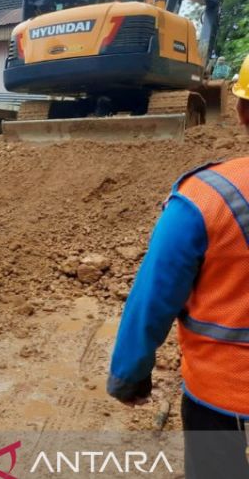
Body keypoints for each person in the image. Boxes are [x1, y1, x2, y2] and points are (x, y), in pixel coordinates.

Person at [108, 54, 249, 478]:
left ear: (242, 111)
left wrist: (129, 374)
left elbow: (154, 296)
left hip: (225, 400)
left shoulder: (207, 197)